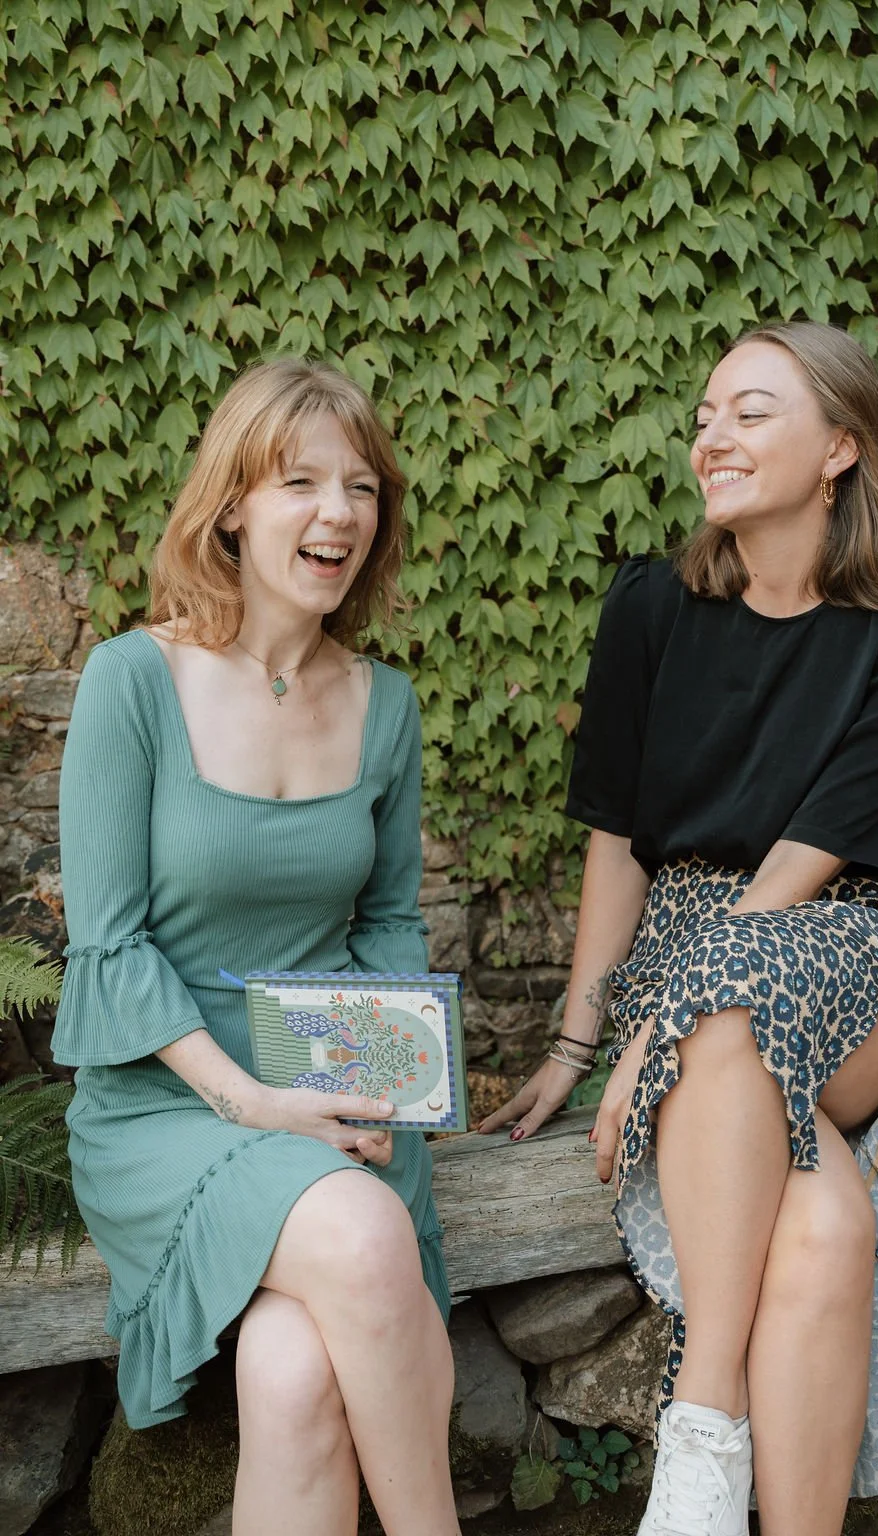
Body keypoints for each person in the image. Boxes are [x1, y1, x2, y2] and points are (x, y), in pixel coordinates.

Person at [480, 322, 878, 1536]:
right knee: (823, 1225)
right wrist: (575, 1042)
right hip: (693, 938)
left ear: (841, 448)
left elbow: (797, 875)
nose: (713, 435)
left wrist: (662, 1028)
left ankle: (699, 1421)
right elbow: (617, 841)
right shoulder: (652, 607)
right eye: (706, 413)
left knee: (738, 1005)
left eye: (751, 412)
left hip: (849, 945)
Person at [52, 360, 461, 1536]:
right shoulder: (136, 680)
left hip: (333, 1083)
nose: (338, 512)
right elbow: (109, 944)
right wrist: (250, 1103)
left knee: (292, 1375)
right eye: (300, 482)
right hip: (173, 1103)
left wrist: (396, 1084)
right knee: (359, 1235)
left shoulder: (386, 705)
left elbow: (384, 923)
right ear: (232, 504)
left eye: (362, 487)